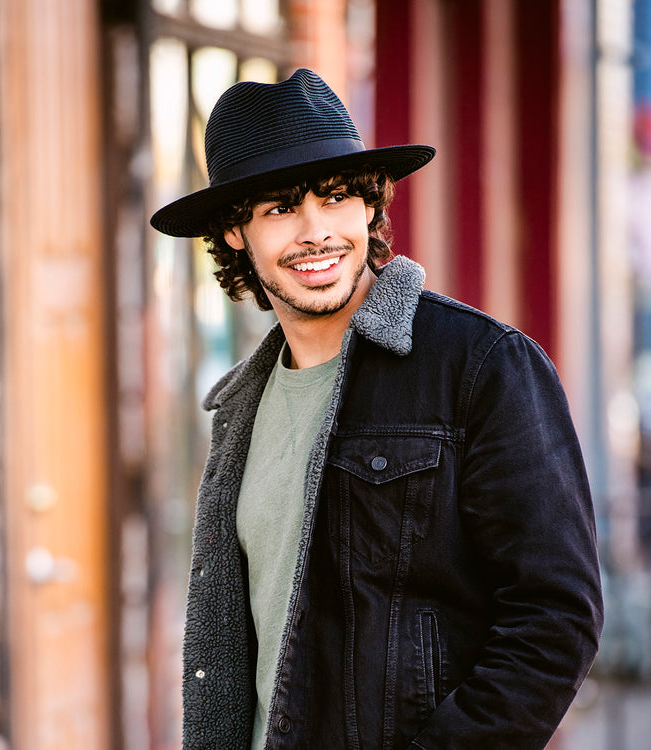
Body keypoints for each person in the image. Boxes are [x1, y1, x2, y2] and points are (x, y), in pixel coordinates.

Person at [151, 69, 603, 750]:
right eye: (279, 208)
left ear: (368, 208)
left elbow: (555, 619)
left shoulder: (480, 365)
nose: (315, 233)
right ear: (235, 232)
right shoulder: (240, 407)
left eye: (335, 199)